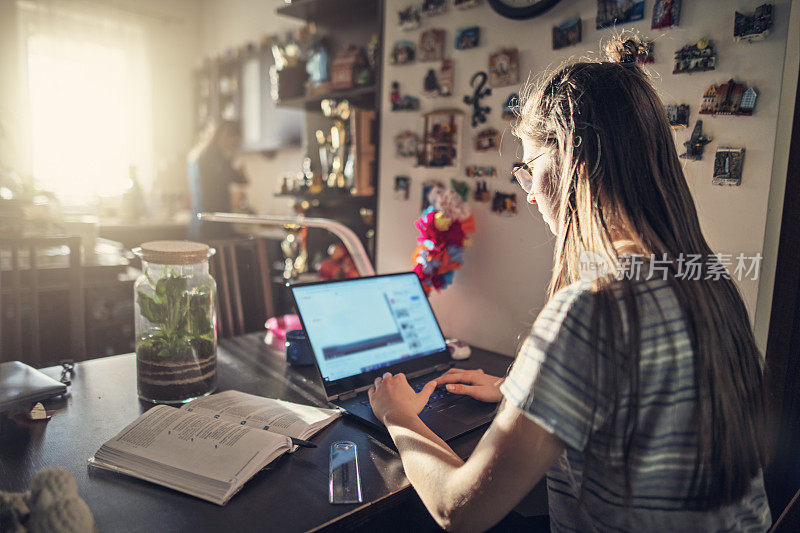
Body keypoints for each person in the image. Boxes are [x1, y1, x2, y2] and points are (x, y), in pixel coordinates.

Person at [368, 37, 769, 532]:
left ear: (572, 161)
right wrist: (520, 391)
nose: (532, 196)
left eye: (529, 170)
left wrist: (398, 416)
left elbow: (458, 509)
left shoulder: (595, 306)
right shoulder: (705, 278)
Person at [187, 120, 248, 241]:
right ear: (224, 135)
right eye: (234, 139)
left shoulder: (199, 154)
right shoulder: (217, 158)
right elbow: (241, 180)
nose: (234, 144)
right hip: (214, 223)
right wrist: (239, 169)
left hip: (199, 220)